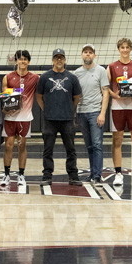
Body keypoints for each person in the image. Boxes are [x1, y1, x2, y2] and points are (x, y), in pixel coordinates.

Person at [36, 48, 83, 185]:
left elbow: (76, 98)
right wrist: (46, 109)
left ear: (65, 59)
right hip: (50, 119)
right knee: (47, 149)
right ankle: (47, 175)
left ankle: (73, 176)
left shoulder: (72, 78)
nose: (59, 60)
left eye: (61, 57)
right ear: (52, 60)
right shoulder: (45, 77)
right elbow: (39, 96)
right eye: (56, 57)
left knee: (71, 149)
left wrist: (70, 111)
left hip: (67, 119)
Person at [107, 38, 132, 185]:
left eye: (127, 47)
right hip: (117, 107)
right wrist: (114, 95)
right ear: (118, 49)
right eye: (122, 47)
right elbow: (106, 87)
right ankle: (118, 173)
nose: (124, 50)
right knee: (117, 140)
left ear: (131, 49)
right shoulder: (111, 66)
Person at [1, 49, 39, 186]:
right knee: (8, 147)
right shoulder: (8, 77)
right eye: (20, 59)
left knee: (22, 146)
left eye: (25, 59)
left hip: (25, 118)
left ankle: (21, 175)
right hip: (10, 119)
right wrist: (6, 108)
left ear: (28, 62)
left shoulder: (35, 78)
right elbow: (5, 96)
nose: (22, 61)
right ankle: (6, 175)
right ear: (16, 61)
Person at [74, 44, 109, 185]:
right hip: (82, 112)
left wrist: (102, 113)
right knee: (89, 146)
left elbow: (105, 92)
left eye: (90, 52)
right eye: (85, 52)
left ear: (94, 55)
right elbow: (75, 95)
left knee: (97, 144)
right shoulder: (77, 73)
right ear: (82, 55)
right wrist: (74, 113)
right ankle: (92, 173)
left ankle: (97, 175)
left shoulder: (101, 71)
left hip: (95, 112)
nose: (87, 54)